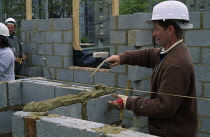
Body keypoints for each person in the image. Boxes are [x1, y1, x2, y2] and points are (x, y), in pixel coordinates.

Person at [107, 1, 198, 137]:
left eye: (156, 28)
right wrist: (122, 58)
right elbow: (149, 55)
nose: (153, 34)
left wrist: (129, 102)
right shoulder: (170, 51)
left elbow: (164, 107)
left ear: (170, 30)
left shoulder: (176, 64)